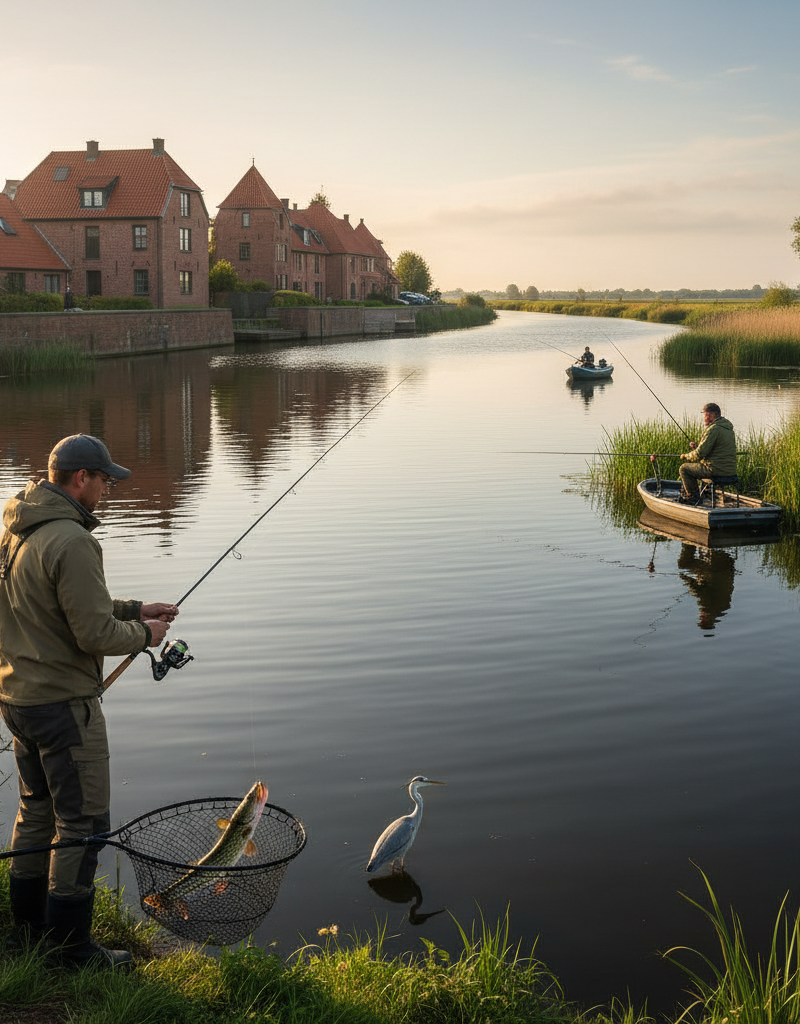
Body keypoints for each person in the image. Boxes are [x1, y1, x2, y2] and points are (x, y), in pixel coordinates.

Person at [0, 434, 178, 968]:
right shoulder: (73, 540)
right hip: (64, 711)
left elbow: (55, 606)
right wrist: (144, 636)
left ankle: (27, 932)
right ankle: (71, 949)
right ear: (81, 479)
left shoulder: (16, 531)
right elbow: (93, 634)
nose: (109, 488)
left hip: (18, 700)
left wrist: (134, 607)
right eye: (105, 480)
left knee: (36, 811)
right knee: (84, 825)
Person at [678, 403, 737, 502]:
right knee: (702, 465)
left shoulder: (713, 429)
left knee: (684, 469)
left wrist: (685, 456)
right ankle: (706, 493)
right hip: (730, 472)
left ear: (710, 414)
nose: (704, 417)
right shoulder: (728, 429)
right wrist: (696, 447)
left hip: (715, 470)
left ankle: (693, 498)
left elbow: (700, 454)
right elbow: (714, 451)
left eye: (704, 414)